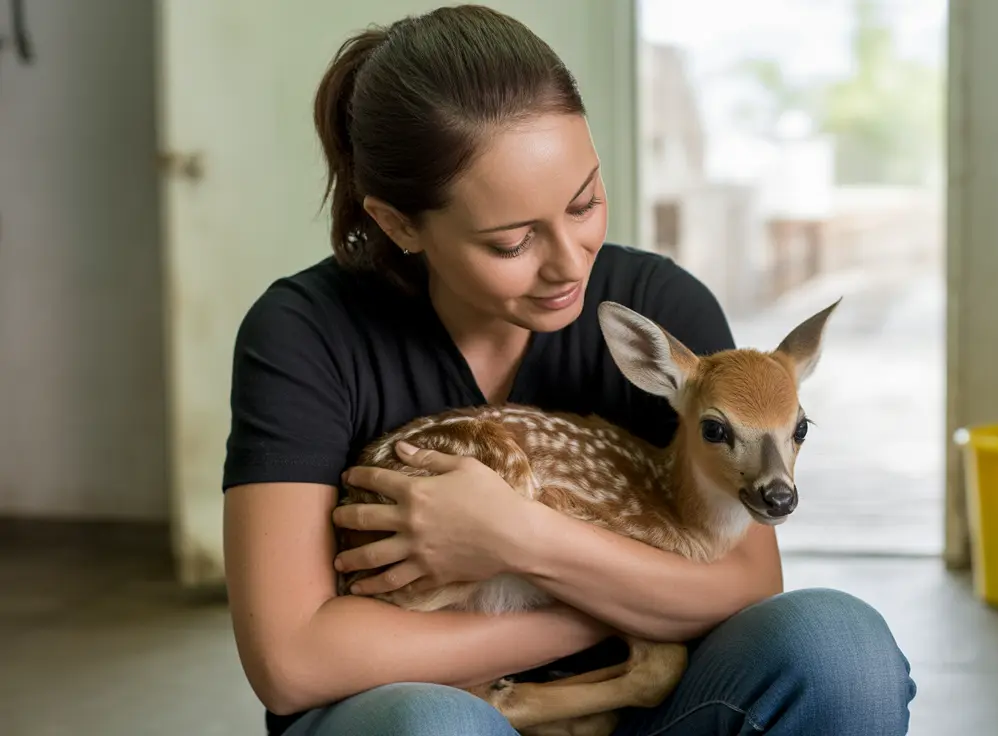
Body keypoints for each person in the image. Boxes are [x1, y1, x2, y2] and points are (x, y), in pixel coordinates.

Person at [221, 5, 916, 736]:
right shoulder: (305, 332)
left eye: (584, 202)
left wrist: (518, 540)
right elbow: (292, 660)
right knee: (432, 726)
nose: (569, 261)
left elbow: (745, 581)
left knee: (841, 647)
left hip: (638, 713)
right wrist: (598, 611)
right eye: (512, 241)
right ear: (400, 225)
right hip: (414, 700)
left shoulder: (655, 304)